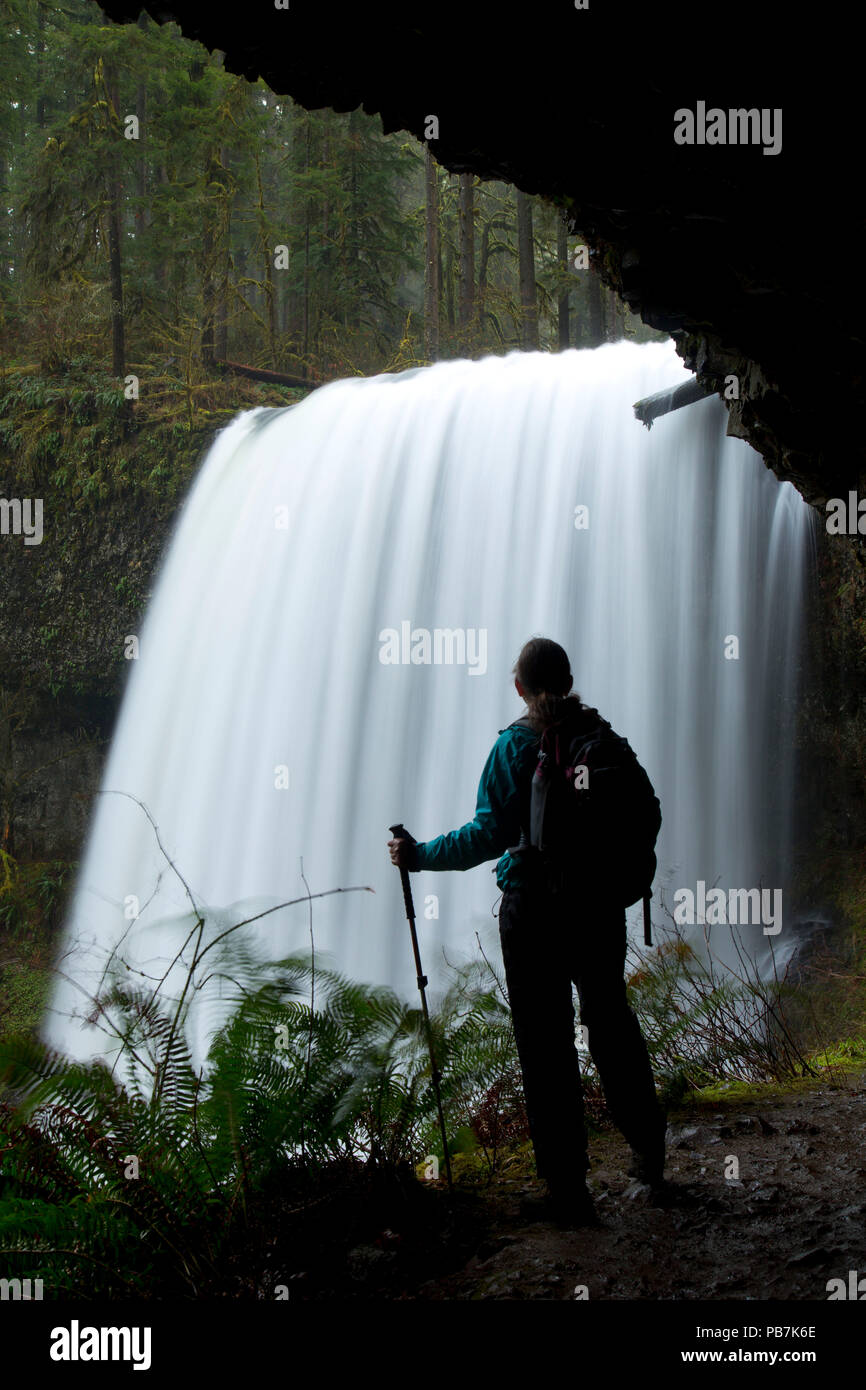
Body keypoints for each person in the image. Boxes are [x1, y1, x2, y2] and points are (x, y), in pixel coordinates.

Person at [387, 635, 666, 1227]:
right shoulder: (604, 741)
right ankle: (648, 1148)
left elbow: (486, 836)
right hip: (596, 909)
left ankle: (568, 1189)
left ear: (519, 687)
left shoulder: (514, 747)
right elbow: (644, 812)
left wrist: (419, 856)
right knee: (609, 1019)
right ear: (567, 681)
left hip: (533, 914)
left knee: (544, 1044)